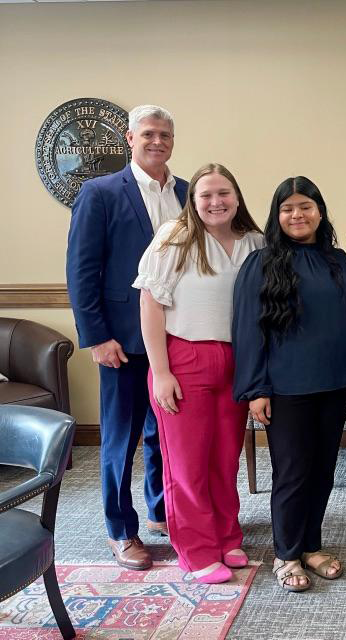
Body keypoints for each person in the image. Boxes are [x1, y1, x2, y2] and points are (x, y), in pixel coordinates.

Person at [66, 105, 187, 570]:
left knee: (165, 433)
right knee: (121, 438)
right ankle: (120, 529)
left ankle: (159, 511)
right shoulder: (99, 193)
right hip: (121, 341)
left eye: (166, 135)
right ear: (130, 138)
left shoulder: (186, 192)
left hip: (177, 337)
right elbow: (82, 270)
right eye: (150, 134)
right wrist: (96, 336)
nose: (158, 142)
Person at [232, 176, 346, 593]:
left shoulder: (338, 261)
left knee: (323, 470)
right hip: (285, 388)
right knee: (292, 473)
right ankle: (286, 554)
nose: (297, 215)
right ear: (277, 216)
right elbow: (249, 330)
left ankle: (312, 545)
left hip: (336, 383)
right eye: (287, 209)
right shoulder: (262, 263)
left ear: (319, 211)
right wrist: (255, 388)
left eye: (305, 206)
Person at [135, 163, 263, 583]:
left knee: (225, 460)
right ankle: (196, 550)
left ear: (237, 197)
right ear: (192, 201)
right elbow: (151, 305)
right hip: (183, 360)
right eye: (205, 194)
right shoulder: (174, 237)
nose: (215, 201)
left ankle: (226, 537)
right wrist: (161, 371)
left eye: (223, 193)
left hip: (238, 362)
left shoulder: (254, 242)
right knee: (187, 464)